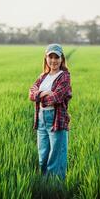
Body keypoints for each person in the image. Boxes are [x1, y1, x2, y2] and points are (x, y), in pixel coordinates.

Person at [29, 43, 72, 180]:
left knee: (56, 156)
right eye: (50, 57)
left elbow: (57, 97)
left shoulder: (64, 76)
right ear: (46, 58)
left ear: (62, 59)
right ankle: (44, 184)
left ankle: (55, 187)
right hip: (41, 118)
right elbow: (31, 93)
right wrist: (43, 93)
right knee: (43, 155)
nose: (53, 60)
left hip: (56, 119)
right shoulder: (43, 76)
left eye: (56, 57)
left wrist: (39, 95)